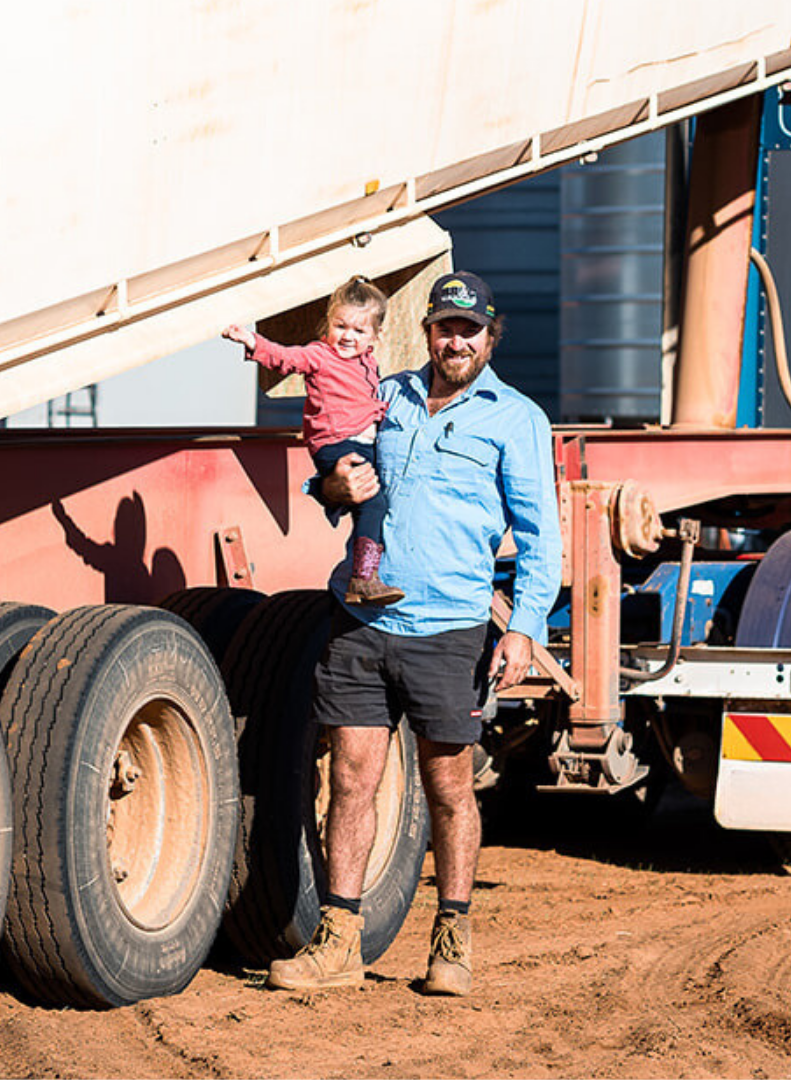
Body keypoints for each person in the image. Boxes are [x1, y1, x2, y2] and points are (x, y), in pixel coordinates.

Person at [266, 271, 562, 997]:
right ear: (426, 332)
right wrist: (333, 489)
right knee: (350, 780)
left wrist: (522, 629)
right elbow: (333, 479)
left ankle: (452, 940)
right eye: (444, 327)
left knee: (448, 788)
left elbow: (540, 538)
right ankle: (339, 942)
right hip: (364, 620)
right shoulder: (384, 395)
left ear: (490, 338)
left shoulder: (516, 419)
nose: (455, 340)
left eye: (470, 330)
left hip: (449, 630)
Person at [224, 276, 402, 605]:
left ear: (375, 336)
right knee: (374, 501)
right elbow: (286, 357)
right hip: (336, 442)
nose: (347, 336)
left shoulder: (369, 363)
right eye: (340, 326)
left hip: (358, 442)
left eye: (359, 331)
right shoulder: (320, 355)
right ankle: (363, 578)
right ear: (328, 325)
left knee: (374, 504)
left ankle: (369, 571)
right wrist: (252, 341)